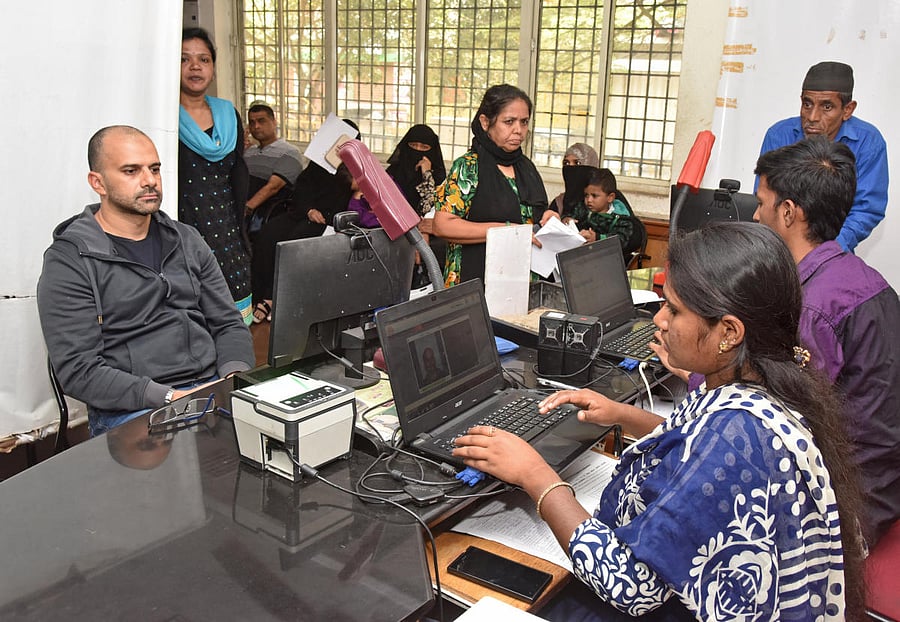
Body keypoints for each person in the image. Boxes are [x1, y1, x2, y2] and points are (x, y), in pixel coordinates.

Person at [454, 222, 865, 620]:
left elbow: (631, 586)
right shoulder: (760, 385)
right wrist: (619, 414)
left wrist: (536, 477)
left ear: (729, 332)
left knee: (484, 596)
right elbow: (691, 438)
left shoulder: (733, 439)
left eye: (674, 309)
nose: (658, 320)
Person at [37, 126, 255, 437]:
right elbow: (79, 370)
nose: (149, 180)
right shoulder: (70, 261)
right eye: (131, 170)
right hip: (136, 408)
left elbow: (228, 323)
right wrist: (169, 398)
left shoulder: (187, 239)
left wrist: (234, 376)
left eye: (154, 168)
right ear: (97, 182)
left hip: (211, 388)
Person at [753, 136, 900, 546]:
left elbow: (780, 421)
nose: (755, 213)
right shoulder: (861, 278)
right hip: (882, 484)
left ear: (787, 213)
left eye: (762, 203)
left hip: (848, 506)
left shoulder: (814, 307)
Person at [758, 61, 888, 252]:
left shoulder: (869, 142)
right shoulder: (779, 135)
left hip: (833, 250)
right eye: (807, 104)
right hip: (779, 249)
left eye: (826, 107)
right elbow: (766, 199)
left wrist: (826, 251)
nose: (812, 117)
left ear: (847, 110)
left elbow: (866, 210)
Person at [433, 84, 555, 287]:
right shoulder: (469, 166)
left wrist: (549, 219)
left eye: (524, 122)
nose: (519, 130)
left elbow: (529, 216)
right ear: (485, 122)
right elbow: (442, 224)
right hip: (476, 279)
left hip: (519, 278)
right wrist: (504, 230)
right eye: (509, 122)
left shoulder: (526, 167)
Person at [248, 122, 360, 323]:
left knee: (293, 242)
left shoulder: (356, 168)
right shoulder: (317, 167)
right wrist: (308, 209)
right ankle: (262, 295)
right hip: (304, 213)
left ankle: (278, 300)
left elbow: (351, 200)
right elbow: (301, 191)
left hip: (330, 220)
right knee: (269, 233)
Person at [178, 27, 253, 323]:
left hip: (227, 228)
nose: (195, 66)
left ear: (212, 67)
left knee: (234, 320)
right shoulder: (163, 118)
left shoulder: (228, 114)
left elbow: (236, 173)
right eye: (184, 59)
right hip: (184, 229)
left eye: (203, 59)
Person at [385, 124, 447, 286]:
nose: (418, 151)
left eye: (424, 147)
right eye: (413, 146)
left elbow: (432, 207)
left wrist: (427, 174)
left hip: (430, 238)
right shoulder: (393, 173)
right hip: (397, 232)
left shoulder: (438, 176)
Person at [243, 101, 304, 246]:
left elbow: (273, 187)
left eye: (261, 121)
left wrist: (246, 208)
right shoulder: (248, 152)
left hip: (262, 211)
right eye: (252, 122)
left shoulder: (289, 152)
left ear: (274, 122)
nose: (256, 126)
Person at [563, 167, 635, 249]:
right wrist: (566, 219)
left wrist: (597, 238)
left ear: (610, 197)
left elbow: (620, 240)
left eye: (594, 196)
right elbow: (570, 215)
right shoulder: (582, 208)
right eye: (586, 195)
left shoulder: (620, 219)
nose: (589, 200)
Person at [552, 142, 599, 212]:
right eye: (566, 163)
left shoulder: (607, 201)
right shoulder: (559, 203)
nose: (570, 168)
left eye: (577, 163)